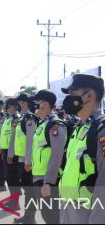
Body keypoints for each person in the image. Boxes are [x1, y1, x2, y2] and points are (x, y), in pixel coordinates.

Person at [59, 74, 105, 224]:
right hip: (69, 205)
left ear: (89, 95)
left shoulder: (101, 130)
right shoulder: (82, 126)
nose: (68, 99)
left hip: (86, 213)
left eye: (72, 94)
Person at [32, 89, 67, 224]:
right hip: (39, 175)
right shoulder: (43, 123)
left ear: (45, 104)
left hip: (49, 179)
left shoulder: (55, 125)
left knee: (52, 217)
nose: (35, 106)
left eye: (37, 103)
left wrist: (48, 182)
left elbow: (56, 155)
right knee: (47, 215)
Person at [10, 93, 38, 224]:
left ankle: (30, 217)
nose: (17, 104)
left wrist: (28, 160)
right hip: (21, 159)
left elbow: (30, 141)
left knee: (30, 190)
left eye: (19, 102)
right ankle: (28, 216)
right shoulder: (22, 118)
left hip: (27, 161)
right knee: (27, 189)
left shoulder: (30, 118)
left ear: (24, 103)